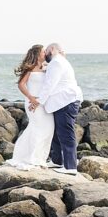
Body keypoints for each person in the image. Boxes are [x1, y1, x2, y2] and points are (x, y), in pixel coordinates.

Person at [4, 45, 54, 170]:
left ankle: (40, 157)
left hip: (43, 102)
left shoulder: (47, 68)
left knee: (48, 129)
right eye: (43, 52)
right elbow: (21, 84)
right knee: (38, 128)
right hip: (32, 103)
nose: (46, 53)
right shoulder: (30, 68)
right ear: (38, 54)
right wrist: (31, 98)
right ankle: (32, 158)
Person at [36, 43, 83, 174]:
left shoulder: (56, 62)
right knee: (56, 132)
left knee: (66, 134)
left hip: (66, 101)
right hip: (62, 102)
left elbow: (49, 84)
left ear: (51, 49)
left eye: (46, 52)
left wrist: (39, 101)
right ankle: (57, 161)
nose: (44, 55)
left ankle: (71, 167)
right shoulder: (59, 61)